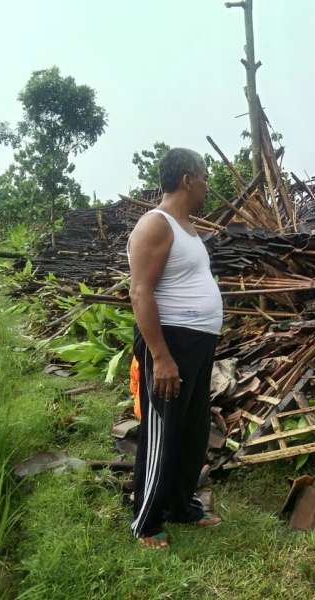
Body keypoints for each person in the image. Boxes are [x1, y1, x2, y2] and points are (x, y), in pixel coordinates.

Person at [126, 147, 223, 548]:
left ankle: (182, 504)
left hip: (198, 342)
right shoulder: (156, 224)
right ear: (187, 178)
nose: (207, 184)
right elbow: (140, 291)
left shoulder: (187, 227)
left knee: (193, 429)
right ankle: (146, 520)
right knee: (162, 430)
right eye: (203, 175)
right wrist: (162, 357)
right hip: (171, 342)